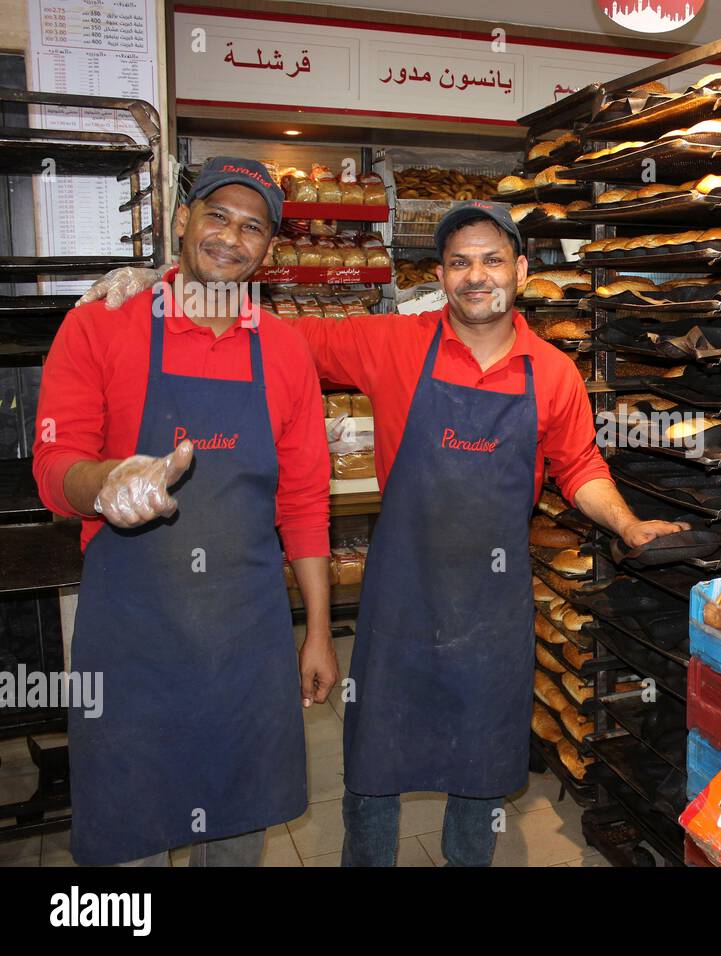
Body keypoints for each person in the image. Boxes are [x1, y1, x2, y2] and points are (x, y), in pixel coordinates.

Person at [82, 198, 685, 866]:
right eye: (459, 262)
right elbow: (273, 337)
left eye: (490, 260)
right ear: (442, 273)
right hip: (399, 610)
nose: (475, 275)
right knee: (373, 775)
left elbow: (579, 465)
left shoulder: (553, 372)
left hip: (491, 614)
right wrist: (171, 289)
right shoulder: (395, 340)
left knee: (481, 778)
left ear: (518, 270)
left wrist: (628, 522)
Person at [34, 157, 338, 866]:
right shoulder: (102, 327)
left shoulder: (286, 351)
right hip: (132, 646)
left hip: (248, 645)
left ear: (269, 250)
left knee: (234, 842)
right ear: (181, 221)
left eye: (253, 227)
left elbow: (302, 502)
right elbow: (54, 469)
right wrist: (106, 483)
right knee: (127, 845)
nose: (232, 237)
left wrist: (319, 631)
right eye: (217, 216)